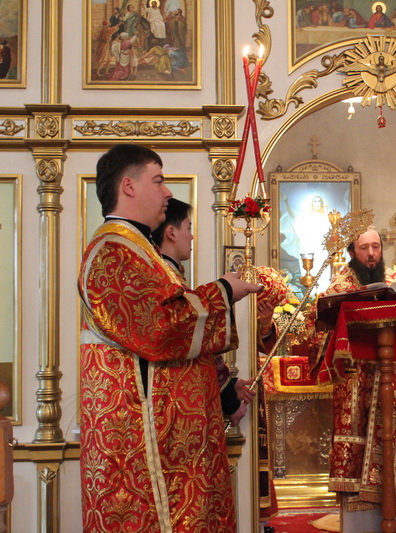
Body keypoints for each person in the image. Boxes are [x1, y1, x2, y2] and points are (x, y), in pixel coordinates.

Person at [78, 144, 263, 532]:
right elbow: (160, 329)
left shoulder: (138, 249)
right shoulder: (112, 251)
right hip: (142, 445)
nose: (167, 192)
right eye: (158, 181)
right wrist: (223, 291)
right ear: (128, 186)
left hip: (170, 446)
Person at [310, 228, 396, 533]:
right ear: (353, 252)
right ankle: (360, 525)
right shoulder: (339, 287)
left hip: (395, 379)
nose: (372, 254)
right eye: (365, 248)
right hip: (356, 382)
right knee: (359, 440)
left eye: (376, 247)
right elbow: (319, 328)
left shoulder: (395, 282)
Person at [152, 198, 257, 425]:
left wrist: (229, 385)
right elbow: (188, 341)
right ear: (171, 233)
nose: (192, 236)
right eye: (188, 227)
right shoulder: (165, 281)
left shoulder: (171, 276)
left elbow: (197, 342)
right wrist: (225, 290)